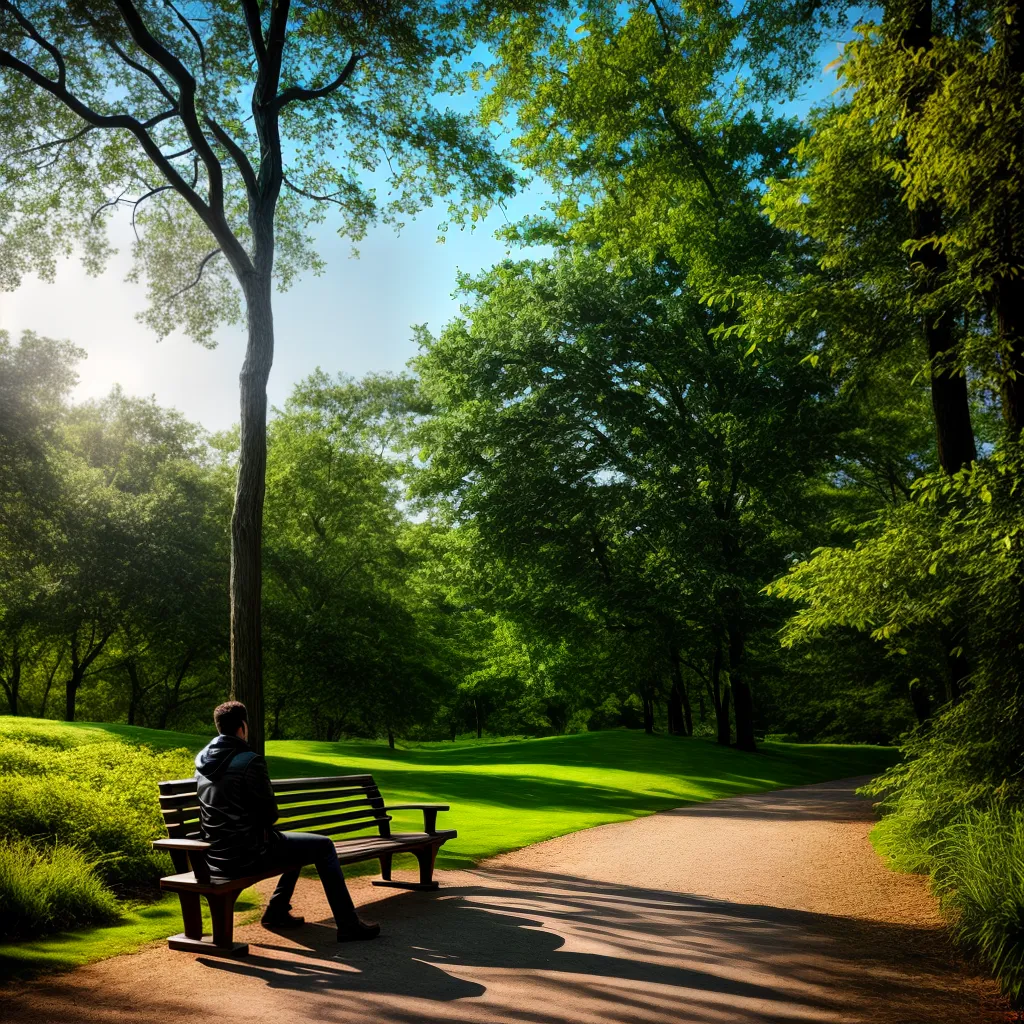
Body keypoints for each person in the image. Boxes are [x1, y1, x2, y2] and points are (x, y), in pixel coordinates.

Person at [194, 700, 379, 941]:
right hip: (249, 855)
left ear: (219, 727)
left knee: (297, 845)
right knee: (323, 845)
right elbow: (270, 815)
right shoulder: (249, 760)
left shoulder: (202, 763)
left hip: (215, 856)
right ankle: (348, 925)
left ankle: (277, 910)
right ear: (243, 727)